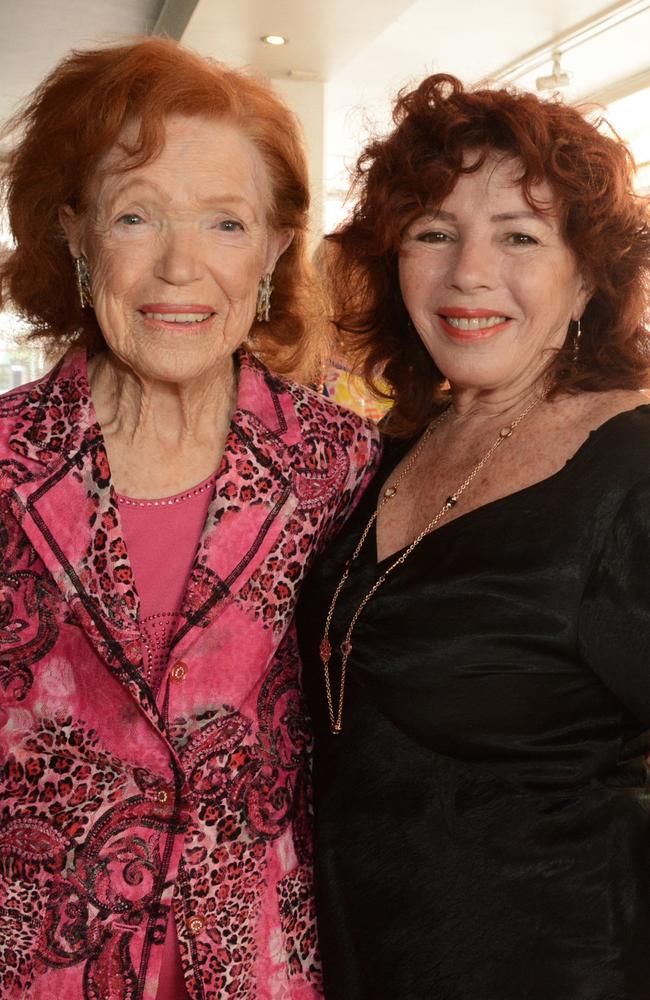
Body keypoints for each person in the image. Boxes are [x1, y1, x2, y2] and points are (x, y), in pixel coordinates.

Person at [0, 37, 380, 1000]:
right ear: (75, 233)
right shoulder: (5, 461)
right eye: (137, 216)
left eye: (224, 222)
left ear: (274, 248)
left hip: (257, 962)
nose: (180, 266)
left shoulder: (340, 467)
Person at [297, 74, 650, 999]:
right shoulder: (393, 449)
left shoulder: (632, 470)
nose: (468, 275)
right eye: (433, 233)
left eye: (521, 237)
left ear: (589, 278)